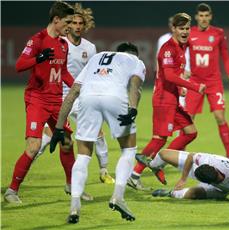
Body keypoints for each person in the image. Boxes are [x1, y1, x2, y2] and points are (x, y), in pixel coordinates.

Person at [2, 1, 94, 204]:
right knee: (34, 146)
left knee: (67, 143)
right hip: (37, 99)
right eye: (68, 22)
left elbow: (64, 72)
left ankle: (72, 186)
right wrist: (39, 58)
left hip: (56, 101)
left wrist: (80, 87)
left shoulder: (63, 44)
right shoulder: (37, 40)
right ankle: (11, 191)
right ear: (56, 20)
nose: (70, 26)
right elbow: (19, 65)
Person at [49, 42, 145, 223]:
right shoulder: (136, 61)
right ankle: (118, 197)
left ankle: (74, 206)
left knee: (84, 155)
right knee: (128, 149)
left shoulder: (96, 58)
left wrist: (59, 127)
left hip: (87, 98)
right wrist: (133, 108)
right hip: (115, 96)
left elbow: (73, 92)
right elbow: (135, 86)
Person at [36, 2, 115, 185]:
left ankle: (104, 171)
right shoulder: (59, 44)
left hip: (80, 97)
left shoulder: (90, 48)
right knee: (48, 136)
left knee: (98, 132)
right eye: (74, 23)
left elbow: (92, 74)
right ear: (68, 24)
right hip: (59, 96)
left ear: (85, 25)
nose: (78, 27)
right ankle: (21, 174)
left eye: (81, 24)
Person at [127, 13, 206, 190]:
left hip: (173, 99)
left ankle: (156, 164)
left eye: (187, 28)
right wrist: (193, 86)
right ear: (173, 29)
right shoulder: (168, 48)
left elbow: (173, 75)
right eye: (181, 28)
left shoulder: (181, 48)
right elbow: (169, 75)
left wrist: (181, 88)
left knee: (191, 132)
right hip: (163, 100)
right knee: (159, 140)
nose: (185, 31)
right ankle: (135, 174)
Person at [185, 3, 229, 160]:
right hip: (195, 82)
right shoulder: (190, 33)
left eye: (207, 16)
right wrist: (182, 70)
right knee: (188, 120)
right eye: (201, 16)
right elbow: (180, 52)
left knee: (220, 117)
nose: (204, 19)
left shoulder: (218, 33)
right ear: (196, 17)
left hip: (214, 82)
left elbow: (225, 56)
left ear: (211, 16)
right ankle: (181, 155)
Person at [136, 149, 229, 201]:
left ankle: (169, 193)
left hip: (219, 190)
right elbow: (191, 156)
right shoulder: (207, 161)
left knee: (191, 194)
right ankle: (153, 166)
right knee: (163, 154)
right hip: (198, 167)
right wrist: (183, 179)